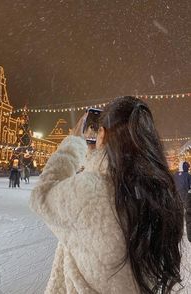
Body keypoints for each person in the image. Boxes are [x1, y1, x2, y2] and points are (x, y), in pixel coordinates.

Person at [30, 96, 191, 293]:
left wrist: (73, 144)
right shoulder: (162, 193)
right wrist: (96, 154)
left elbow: (42, 195)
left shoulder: (92, 190)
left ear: (102, 134)